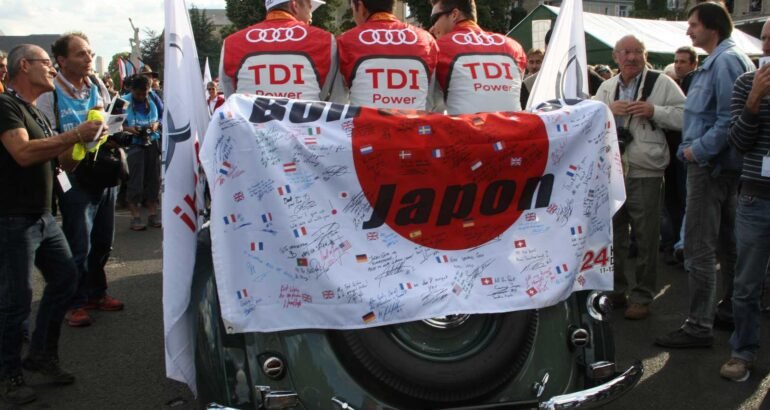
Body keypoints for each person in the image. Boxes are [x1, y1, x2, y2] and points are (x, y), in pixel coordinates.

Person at [0, 44, 103, 405]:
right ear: (24, 66)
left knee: (65, 279)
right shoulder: (6, 106)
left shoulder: (35, 111)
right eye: (46, 63)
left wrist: (89, 142)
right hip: (12, 219)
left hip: (43, 215)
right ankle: (8, 374)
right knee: (16, 300)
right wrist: (75, 135)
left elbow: (62, 162)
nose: (52, 70)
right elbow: (23, 152)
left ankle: (41, 355)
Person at [655, 2, 754, 348]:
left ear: (712, 27)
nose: (688, 30)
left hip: (710, 167)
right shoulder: (725, 59)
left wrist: (696, 151)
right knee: (728, 244)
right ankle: (728, 310)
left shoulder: (724, 61)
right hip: (719, 167)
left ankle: (699, 326)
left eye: (693, 24)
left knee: (699, 248)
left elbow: (730, 119)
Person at [593, 35, 685, 320]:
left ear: (645, 55)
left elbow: (687, 116)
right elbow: (589, 118)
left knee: (646, 236)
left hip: (646, 168)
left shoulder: (661, 83)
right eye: (626, 52)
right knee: (614, 234)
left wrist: (654, 111)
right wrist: (607, 111)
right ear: (616, 57)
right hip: (613, 169)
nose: (632, 57)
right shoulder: (607, 86)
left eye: (637, 52)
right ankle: (616, 290)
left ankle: (643, 295)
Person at [37, 32, 125, 327]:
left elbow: (108, 119)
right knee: (78, 243)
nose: (88, 58)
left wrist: (111, 125)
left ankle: (96, 293)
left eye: (89, 52)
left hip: (102, 170)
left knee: (103, 241)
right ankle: (73, 302)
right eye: (81, 54)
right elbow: (46, 137)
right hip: (72, 174)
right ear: (61, 60)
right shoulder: (49, 93)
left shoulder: (96, 85)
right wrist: (77, 137)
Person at [719, 19, 770, 382]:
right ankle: (743, 351)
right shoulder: (745, 83)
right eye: (765, 38)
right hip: (755, 196)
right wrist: (754, 100)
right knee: (747, 284)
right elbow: (738, 142)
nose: (767, 45)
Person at [219, 0, 337, 100]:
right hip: (305, 119)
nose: (311, 16)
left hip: (251, 120)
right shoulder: (325, 41)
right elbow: (325, 95)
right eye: (309, 7)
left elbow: (231, 100)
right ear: (294, 6)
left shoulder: (231, 43)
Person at [334, 0, 438, 109]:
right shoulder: (426, 40)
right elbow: (432, 101)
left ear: (360, 5)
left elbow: (337, 102)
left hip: (364, 119)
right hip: (414, 119)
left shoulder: (345, 41)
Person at [428, 0, 526, 115]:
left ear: (454, 14)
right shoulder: (514, 47)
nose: (432, 29)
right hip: (513, 125)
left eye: (434, 19)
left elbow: (429, 104)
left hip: (465, 125)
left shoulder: (438, 47)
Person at [122, 74, 162, 231]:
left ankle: (152, 213)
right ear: (132, 90)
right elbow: (112, 122)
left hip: (152, 141)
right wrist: (128, 128)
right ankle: (136, 216)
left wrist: (156, 124)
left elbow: (163, 115)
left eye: (144, 93)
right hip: (134, 144)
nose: (141, 97)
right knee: (135, 181)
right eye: (138, 94)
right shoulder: (123, 101)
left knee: (153, 179)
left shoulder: (154, 98)